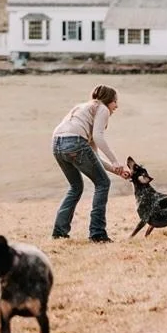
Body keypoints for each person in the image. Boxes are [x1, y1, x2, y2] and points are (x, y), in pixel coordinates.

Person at [50, 84, 129, 242]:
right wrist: (115, 160)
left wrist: (117, 170)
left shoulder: (83, 108)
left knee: (75, 187)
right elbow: (98, 137)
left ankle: (59, 232)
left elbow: (93, 156)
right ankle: (97, 233)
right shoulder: (102, 108)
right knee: (103, 183)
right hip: (75, 142)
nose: (116, 106)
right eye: (115, 101)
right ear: (108, 100)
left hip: (57, 144)